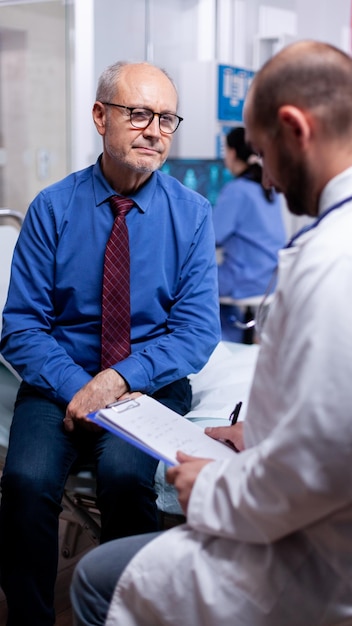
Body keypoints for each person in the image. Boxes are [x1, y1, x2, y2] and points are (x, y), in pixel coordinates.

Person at [71, 40, 352, 625]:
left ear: (293, 128)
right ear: (102, 118)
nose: (271, 180)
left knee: (97, 580)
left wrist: (207, 487)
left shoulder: (337, 261)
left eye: (263, 153)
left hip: (338, 568)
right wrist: (260, 429)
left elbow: (318, 471)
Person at [0, 60, 220, 626]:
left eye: (167, 119)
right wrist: (80, 386)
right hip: (61, 382)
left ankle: (131, 614)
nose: (155, 131)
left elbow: (197, 330)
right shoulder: (52, 209)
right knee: (24, 482)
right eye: (139, 114)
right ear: (101, 117)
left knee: (126, 477)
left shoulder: (191, 215)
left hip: (147, 384)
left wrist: (118, 378)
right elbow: (21, 326)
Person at [213, 126, 286, 343]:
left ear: (233, 153)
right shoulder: (268, 188)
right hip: (269, 280)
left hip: (245, 280)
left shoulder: (237, 191)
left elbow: (212, 236)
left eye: (226, 150)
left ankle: (221, 344)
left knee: (187, 282)